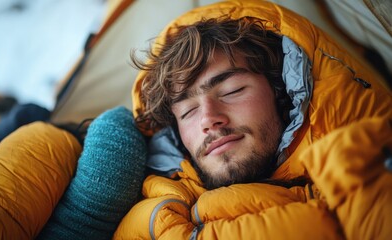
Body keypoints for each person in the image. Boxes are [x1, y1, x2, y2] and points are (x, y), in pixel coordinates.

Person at [114, 1, 392, 239]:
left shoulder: (364, 163)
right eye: (187, 111)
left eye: (232, 91)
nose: (209, 120)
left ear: (283, 90)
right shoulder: (155, 214)